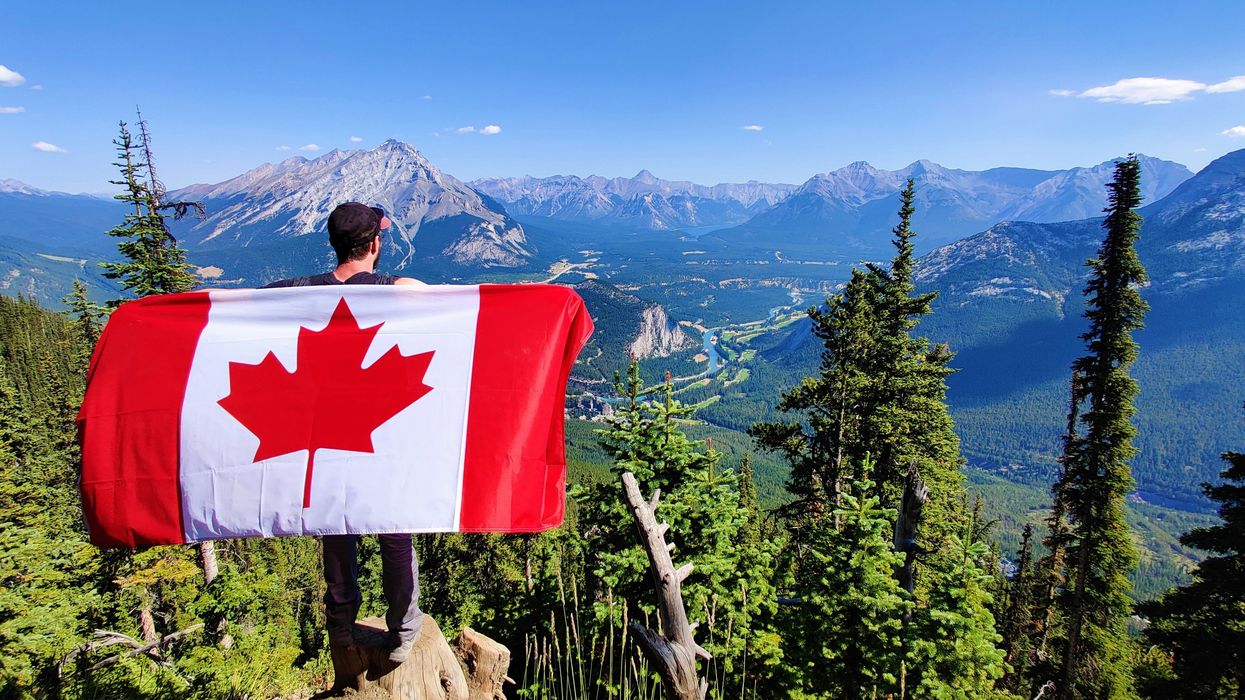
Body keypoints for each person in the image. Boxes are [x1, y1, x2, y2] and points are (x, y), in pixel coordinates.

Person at [264, 201, 424, 663]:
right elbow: (437, 301)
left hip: (322, 434)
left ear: (333, 245)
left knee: (334, 528)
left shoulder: (293, 291)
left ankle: (340, 624)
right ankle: (403, 631)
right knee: (395, 533)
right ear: (375, 243)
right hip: (379, 436)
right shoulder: (395, 289)